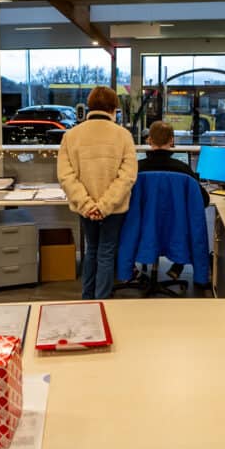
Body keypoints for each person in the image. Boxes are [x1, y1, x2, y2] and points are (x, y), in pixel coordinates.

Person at [57, 86, 137, 300]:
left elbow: (66, 176)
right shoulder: (124, 136)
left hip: (85, 209)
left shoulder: (71, 135)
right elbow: (127, 176)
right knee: (107, 251)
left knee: (91, 249)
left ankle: (87, 299)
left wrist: (87, 205)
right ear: (114, 108)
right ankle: (102, 301)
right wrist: (105, 206)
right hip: (115, 207)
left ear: (89, 106)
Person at [136, 120, 208, 282]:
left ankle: (133, 269)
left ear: (149, 140)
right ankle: (178, 265)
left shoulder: (135, 169)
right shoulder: (183, 169)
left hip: (143, 230)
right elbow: (203, 201)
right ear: (172, 141)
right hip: (176, 231)